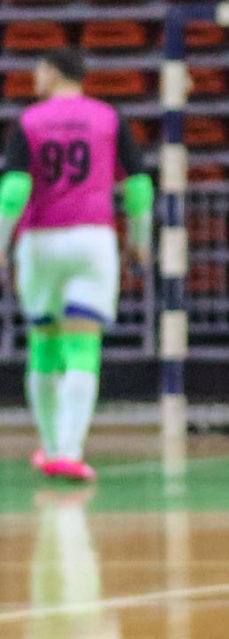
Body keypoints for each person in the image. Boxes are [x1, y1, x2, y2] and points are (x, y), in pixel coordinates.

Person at [1, 47, 153, 483]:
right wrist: (139, 241)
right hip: (92, 239)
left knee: (44, 345)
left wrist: (1, 242)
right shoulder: (108, 118)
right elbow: (138, 187)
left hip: (40, 241)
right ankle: (71, 451)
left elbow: (14, 190)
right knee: (83, 347)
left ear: (51, 72)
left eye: (38, 70)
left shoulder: (30, 121)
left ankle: (50, 448)